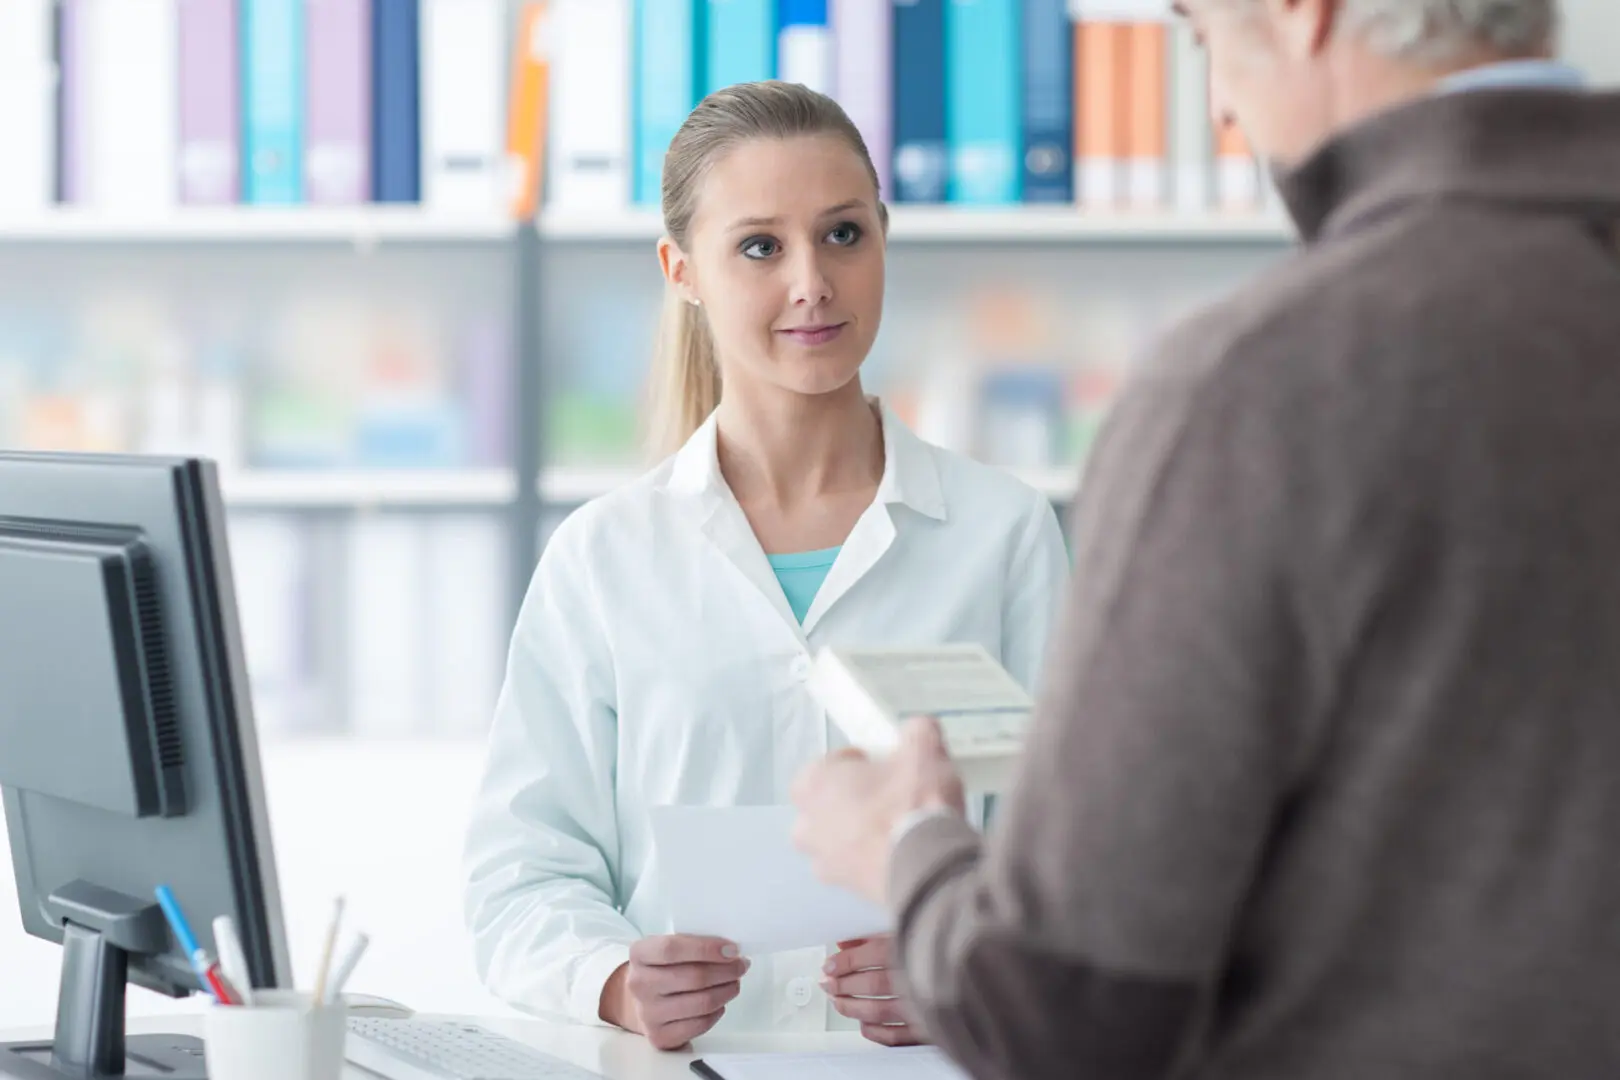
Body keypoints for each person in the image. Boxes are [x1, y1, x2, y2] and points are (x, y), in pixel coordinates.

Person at [792, 1, 1620, 1077]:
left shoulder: (1267, 385)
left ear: (1298, 13)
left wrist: (904, 847)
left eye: (1200, 37)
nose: (1222, 110)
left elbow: (1063, 1007)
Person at [461, 80, 1071, 1052]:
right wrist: (611, 980)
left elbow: (1075, 858)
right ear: (682, 269)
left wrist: (971, 964)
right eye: (759, 246)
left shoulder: (1003, 535)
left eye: (842, 235)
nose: (811, 283)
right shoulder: (606, 555)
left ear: (883, 237)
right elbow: (520, 871)